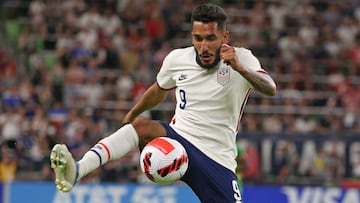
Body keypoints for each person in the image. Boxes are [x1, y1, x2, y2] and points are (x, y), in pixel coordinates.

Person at [50, 3, 276, 202]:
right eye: (198, 38)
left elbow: (269, 88)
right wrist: (133, 114)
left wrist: (241, 68)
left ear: (224, 38)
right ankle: (77, 170)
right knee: (141, 127)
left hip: (217, 158)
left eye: (210, 39)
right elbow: (158, 91)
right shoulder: (177, 59)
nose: (204, 46)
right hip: (179, 138)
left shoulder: (242, 58)